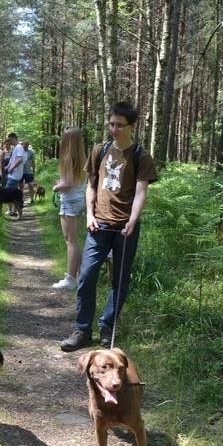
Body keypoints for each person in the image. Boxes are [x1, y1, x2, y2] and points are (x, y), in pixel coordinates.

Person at [60, 102, 158, 352]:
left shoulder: (141, 156)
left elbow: (140, 193)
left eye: (120, 125)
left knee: (119, 280)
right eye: (111, 124)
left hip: (125, 228)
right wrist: (90, 216)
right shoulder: (100, 150)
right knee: (87, 276)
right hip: (98, 226)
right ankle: (82, 330)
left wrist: (133, 220)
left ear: (132, 126)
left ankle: (107, 327)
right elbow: (91, 186)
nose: (114, 129)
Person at [51, 127, 87, 289]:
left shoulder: (67, 158)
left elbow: (68, 183)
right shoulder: (82, 158)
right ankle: (80, 275)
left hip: (70, 201)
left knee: (70, 241)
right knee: (74, 240)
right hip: (80, 199)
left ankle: (70, 278)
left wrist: (56, 187)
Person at [4, 134, 25, 216]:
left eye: (10, 139)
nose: (9, 141)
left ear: (14, 138)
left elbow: (19, 159)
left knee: (9, 194)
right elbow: (13, 160)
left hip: (14, 175)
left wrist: (11, 168)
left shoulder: (19, 147)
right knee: (13, 194)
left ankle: (12, 211)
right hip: (13, 174)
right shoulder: (16, 147)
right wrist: (8, 166)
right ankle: (14, 211)